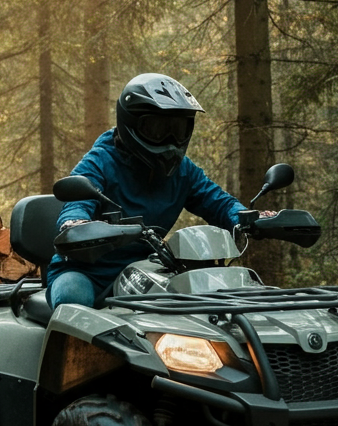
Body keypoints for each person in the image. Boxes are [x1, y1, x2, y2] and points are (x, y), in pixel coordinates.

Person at [47, 72, 257, 309]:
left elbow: (219, 202)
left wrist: (249, 218)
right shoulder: (100, 161)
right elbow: (77, 201)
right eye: (157, 129)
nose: (169, 139)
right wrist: (75, 223)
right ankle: (73, 346)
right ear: (130, 123)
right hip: (88, 272)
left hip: (149, 270)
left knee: (211, 302)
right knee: (72, 296)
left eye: (178, 129)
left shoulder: (183, 172)